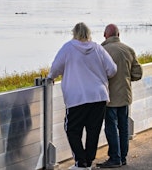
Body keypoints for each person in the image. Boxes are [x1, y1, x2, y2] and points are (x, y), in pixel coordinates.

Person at [47, 22, 117, 170]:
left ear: (74, 33)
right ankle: (87, 162)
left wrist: (51, 77)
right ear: (88, 33)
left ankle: (81, 162)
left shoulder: (68, 48)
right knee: (93, 131)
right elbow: (112, 69)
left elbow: (55, 68)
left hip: (77, 97)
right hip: (98, 96)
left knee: (72, 129)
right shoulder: (98, 48)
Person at [96, 24, 143, 168]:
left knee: (111, 128)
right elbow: (138, 74)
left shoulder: (101, 50)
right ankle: (123, 157)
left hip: (109, 98)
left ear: (105, 35)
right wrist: (126, 80)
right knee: (123, 128)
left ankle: (114, 158)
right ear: (119, 34)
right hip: (125, 96)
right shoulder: (129, 50)